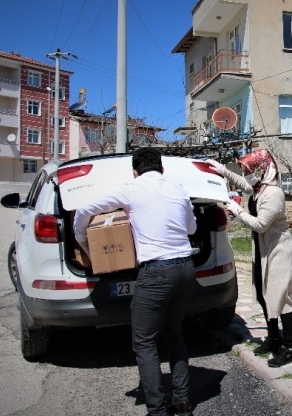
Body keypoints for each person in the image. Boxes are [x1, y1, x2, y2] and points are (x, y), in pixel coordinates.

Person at [74, 148, 197, 416]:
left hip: (156, 273)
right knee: (174, 334)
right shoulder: (178, 188)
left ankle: (156, 410)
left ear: (135, 171)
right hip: (186, 269)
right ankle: (182, 401)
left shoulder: (130, 189)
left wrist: (85, 243)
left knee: (144, 342)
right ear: (162, 169)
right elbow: (192, 229)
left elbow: (84, 209)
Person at [206, 151, 292, 367]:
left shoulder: (273, 194)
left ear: (262, 170)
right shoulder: (259, 188)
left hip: (279, 251)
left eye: (249, 171)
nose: (246, 175)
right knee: (264, 296)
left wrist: (237, 210)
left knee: (281, 297)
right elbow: (243, 184)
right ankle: (274, 339)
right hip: (262, 249)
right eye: (245, 171)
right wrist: (222, 170)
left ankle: (289, 346)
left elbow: (260, 224)